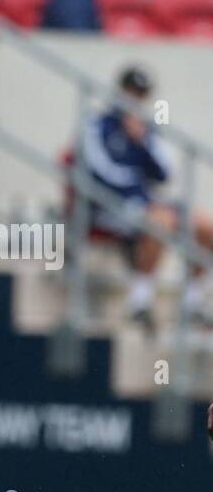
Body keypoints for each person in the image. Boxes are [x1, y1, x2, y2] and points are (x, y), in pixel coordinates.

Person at [81, 66, 212, 329]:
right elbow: (99, 171)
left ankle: (193, 303)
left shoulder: (147, 131)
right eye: (131, 92)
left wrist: (143, 141)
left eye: (141, 94)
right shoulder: (98, 125)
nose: (135, 99)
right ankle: (139, 302)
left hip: (144, 204)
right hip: (107, 206)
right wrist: (136, 188)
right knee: (160, 221)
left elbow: (165, 172)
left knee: (205, 227)